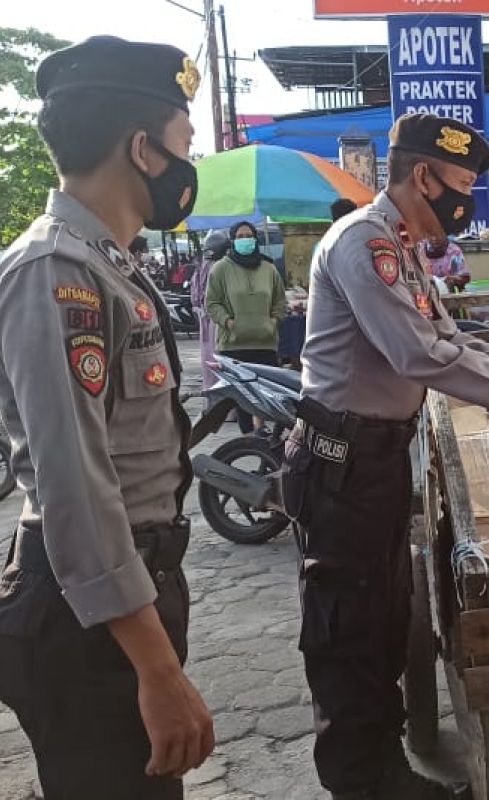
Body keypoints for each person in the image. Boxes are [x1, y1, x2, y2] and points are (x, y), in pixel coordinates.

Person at [285, 112, 489, 800]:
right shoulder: (364, 244)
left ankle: (385, 766)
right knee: (350, 631)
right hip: (341, 464)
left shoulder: (401, 249)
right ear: (422, 177)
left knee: (387, 616)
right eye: (461, 185)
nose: (466, 203)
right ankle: (362, 780)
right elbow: (417, 355)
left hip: (373, 461)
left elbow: (452, 340)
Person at [0, 36, 214, 798]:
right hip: (84, 617)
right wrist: (155, 670)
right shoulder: (56, 272)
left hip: (129, 590)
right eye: (185, 144)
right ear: (143, 150)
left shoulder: (107, 263)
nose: (192, 164)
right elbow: (77, 488)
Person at [205, 220, 287, 435]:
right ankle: (248, 436)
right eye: (240, 236)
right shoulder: (221, 268)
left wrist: (274, 322)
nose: (245, 240)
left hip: (265, 342)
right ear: (232, 240)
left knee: (265, 391)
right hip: (234, 344)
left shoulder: (268, 268)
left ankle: (261, 431)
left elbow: (280, 300)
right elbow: (212, 303)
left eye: (248, 235)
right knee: (242, 394)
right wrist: (228, 321)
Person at [192, 230, 228, 406]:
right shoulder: (221, 268)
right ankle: (227, 408)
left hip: (204, 321)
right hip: (219, 320)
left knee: (209, 361)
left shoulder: (201, 267)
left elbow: (195, 297)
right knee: (221, 361)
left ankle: (214, 405)